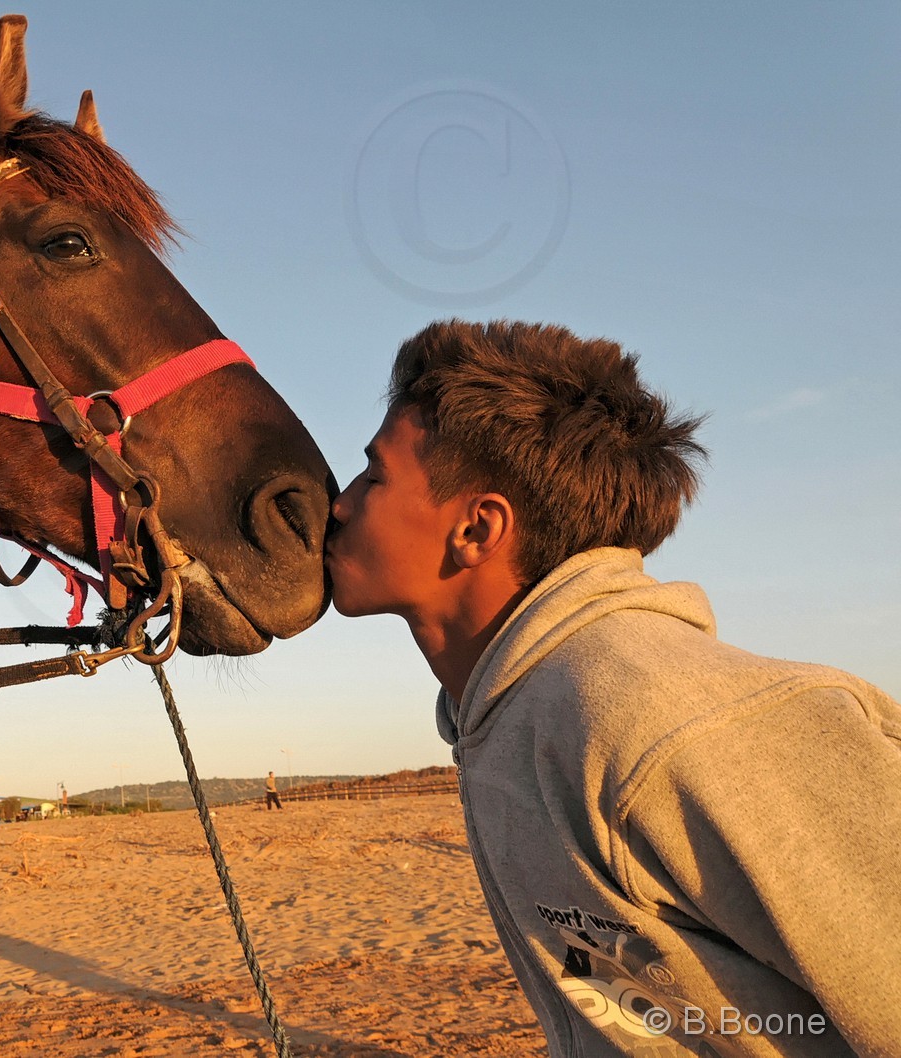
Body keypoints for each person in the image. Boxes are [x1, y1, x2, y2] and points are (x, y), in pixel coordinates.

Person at [325, 320, 901, 1056]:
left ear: (476, 528)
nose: (340, 504)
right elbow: (652, 1014)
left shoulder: (665, 726)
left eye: (372, 476)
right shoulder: (514, 719)